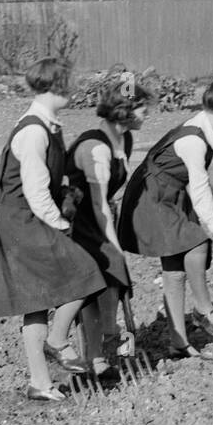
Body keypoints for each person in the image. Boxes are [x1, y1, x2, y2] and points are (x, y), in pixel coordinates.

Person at [0, 58, 106, 402]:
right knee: (86, 272)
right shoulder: (34, 130)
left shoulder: (50, 125)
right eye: (69, 82)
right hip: (21, 221)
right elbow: (36, 192)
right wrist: (61, 224)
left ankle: (40, 383)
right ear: (57, 86)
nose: (74, 89)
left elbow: (49, 180)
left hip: (28, 216)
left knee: (36, 301)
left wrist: (66, 191)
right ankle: (57, 340)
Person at [118, 78, 213, 358]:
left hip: (170, 195)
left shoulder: (200, 130)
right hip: (151, 197)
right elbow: (198, 190)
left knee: (174, 270)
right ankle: (203, 310)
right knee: (197, 242)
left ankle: (178, 341)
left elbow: (202, 174)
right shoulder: (192, 139)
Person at [65, 76, 150, 378]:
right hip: (78, 221)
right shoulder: (95, 147)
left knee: (112, 283)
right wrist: (114, 245)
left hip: (99, 215)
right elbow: (98, 204)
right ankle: (95, 356)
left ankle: (101, 348)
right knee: (100, 280)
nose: (146, 114)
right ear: (124, 110)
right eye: (141, 108)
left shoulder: (125, 139)